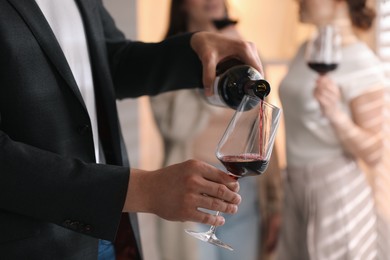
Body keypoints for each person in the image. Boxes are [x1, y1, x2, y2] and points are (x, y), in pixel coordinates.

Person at [0, 0, 266, 259]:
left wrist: (194, 47)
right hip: (35, 241)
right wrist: (142, 190)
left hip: (109, 233)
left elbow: (112, 61)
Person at [150, 0, 282, 259]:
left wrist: (277, 202)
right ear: (183, 5)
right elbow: (177, 127)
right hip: (192, 188)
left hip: (245, 192)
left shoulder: (246, 53)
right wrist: (214, 67)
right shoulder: (165, 60)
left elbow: (265, 129)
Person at [276, 0, 388, 259]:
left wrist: (335, 115)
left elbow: (374, 153)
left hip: (335, 192)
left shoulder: (362, 61)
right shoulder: (306, 49)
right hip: (294, 187)